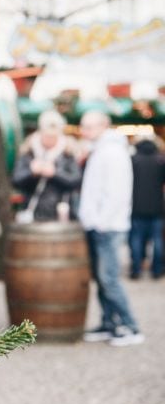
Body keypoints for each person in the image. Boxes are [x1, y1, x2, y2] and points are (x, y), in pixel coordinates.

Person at [79, 111, 144, 346]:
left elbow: (115, 192)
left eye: (89, 126)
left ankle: (130, 326)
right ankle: (109, 323)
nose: (84, 131)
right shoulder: (100, 150)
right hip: (99, 225)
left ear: (103, 126)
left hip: (108, 226)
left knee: (109, 278)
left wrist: (101, 222)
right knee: (101, 277)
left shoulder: (113, 152)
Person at [12, 111, 82, 222]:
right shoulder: (29, 152)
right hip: (33, 213)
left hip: (61, 214)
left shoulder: (68, 154)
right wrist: (32, 172)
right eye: (47, 135)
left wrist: (55, 173)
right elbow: (16, 180)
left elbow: (76, 180)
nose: (49, 139)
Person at [129, 138, 165, 279]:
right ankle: (156, 270)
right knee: (157, 239)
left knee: (136, 238)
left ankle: (136, 270)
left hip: (137, 206)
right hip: (157, 206)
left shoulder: (133, 160)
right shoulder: (160, 160)